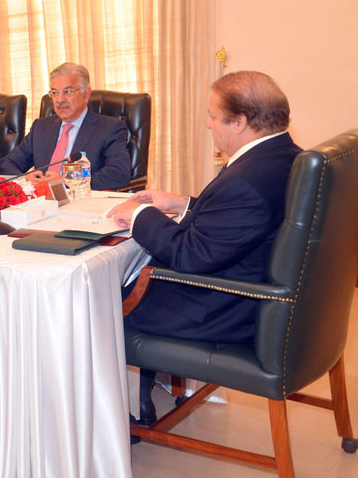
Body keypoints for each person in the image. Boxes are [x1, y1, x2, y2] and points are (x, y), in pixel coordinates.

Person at [107, 70, 302, 343]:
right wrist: (183, 203)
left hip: (220, 311)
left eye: (212, 115)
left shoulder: (245, 183)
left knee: (96, 304)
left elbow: (189, 256)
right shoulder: (286, 156)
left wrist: (139, 214)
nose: (208, 124)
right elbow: (239, 223)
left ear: (239, 122)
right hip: (247, 294)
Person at [0, 62, 131, 190]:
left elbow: (119, 173)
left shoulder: (109, 128)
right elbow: (6, 164)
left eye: (68, 91)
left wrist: (67, 182)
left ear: (86, 94)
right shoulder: (41, 127)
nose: (60, 100)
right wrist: (24, 179)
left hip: (80, 205)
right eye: (54, 93)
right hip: (41, 205)